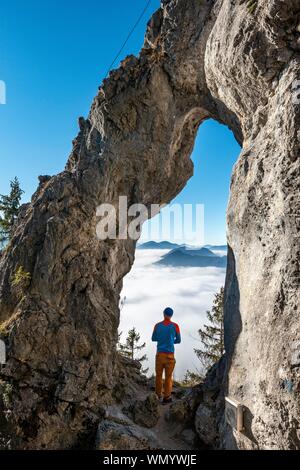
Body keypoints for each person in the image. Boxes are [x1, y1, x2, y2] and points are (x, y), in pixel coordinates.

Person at [151, 307, 181, 404]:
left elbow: (153, 338)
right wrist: (171, 341)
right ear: (171, 315)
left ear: (163, 314)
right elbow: (179, 340)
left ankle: (158, 394)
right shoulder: (175, 326)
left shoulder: (157, 326)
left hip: (160, 355)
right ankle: (166, 397)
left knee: (158, 376)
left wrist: (161, 339)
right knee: (168, 378)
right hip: (170, 356)